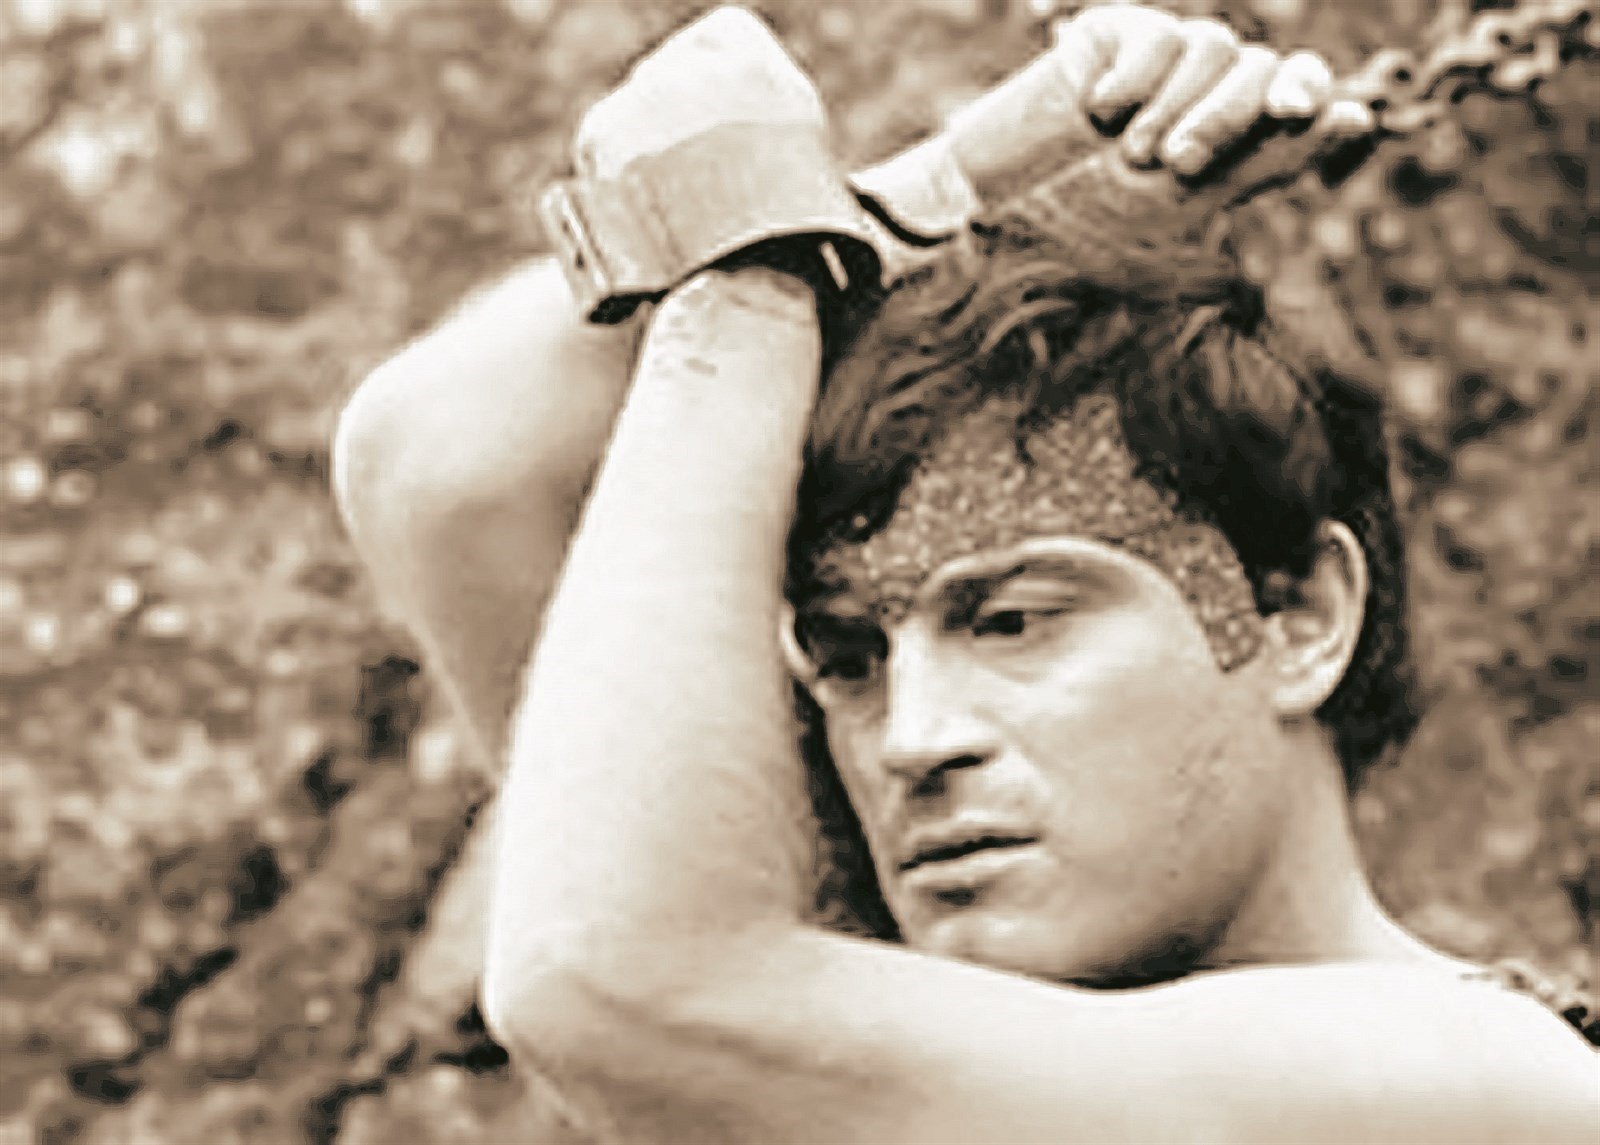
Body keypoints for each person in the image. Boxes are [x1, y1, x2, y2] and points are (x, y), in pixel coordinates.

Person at [332, 6, 1598, 1143]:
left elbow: (609, 981)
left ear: (1297, 614)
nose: (913, 739)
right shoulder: (861, 1032)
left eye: (1012, 621)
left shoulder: (1478, 1082)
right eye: (848, 660)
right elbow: (442, 462)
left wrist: (752, 271)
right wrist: (935, 203)